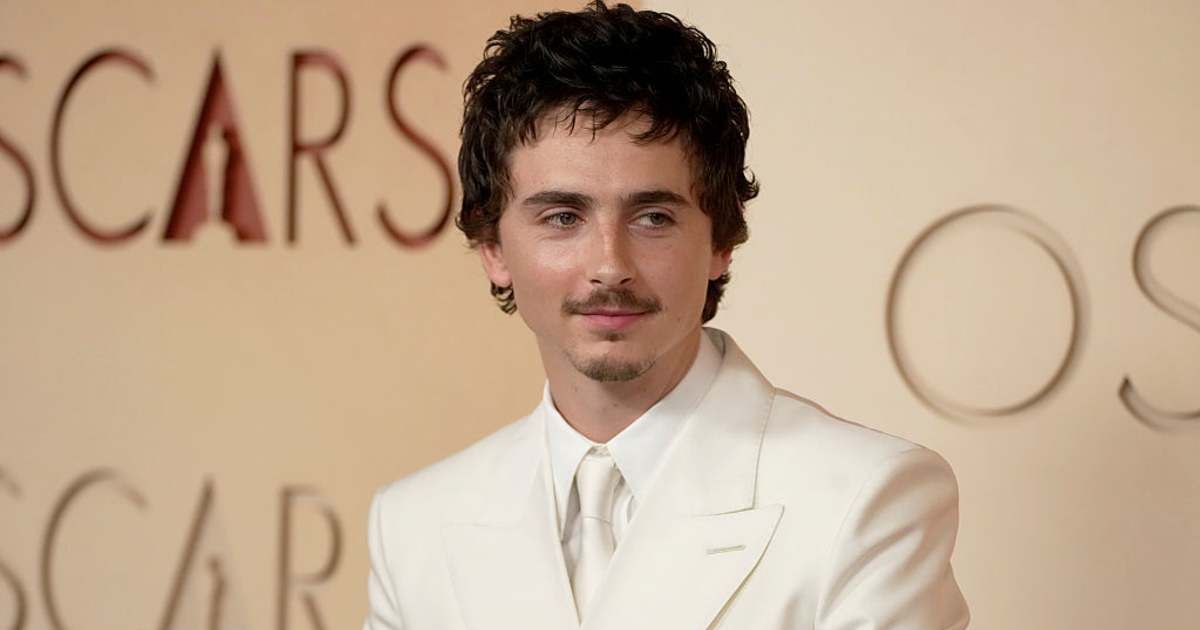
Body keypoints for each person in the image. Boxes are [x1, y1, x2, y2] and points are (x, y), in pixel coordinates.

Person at [363, 2, 970, 628]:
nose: (609, 265)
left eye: (653, 217)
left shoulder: (868, 500)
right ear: (493, 249)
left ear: (720, 241)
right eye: (563, 217)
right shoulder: (413, 526)